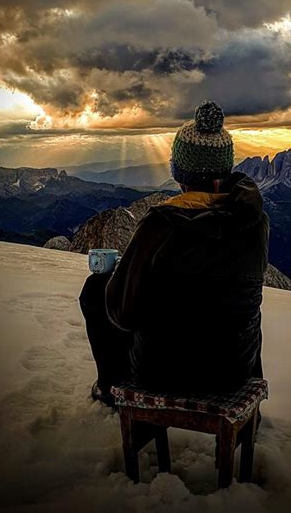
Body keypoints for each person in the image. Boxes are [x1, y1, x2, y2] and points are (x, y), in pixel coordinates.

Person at [79, 100, 269, 405]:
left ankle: (110, 388)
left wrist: (116, 279)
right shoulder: (255, 221)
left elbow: (122, 315)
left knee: (95, 290)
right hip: (235, 371)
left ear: (179, 174)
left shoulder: (160, 224)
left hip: (162, 372)